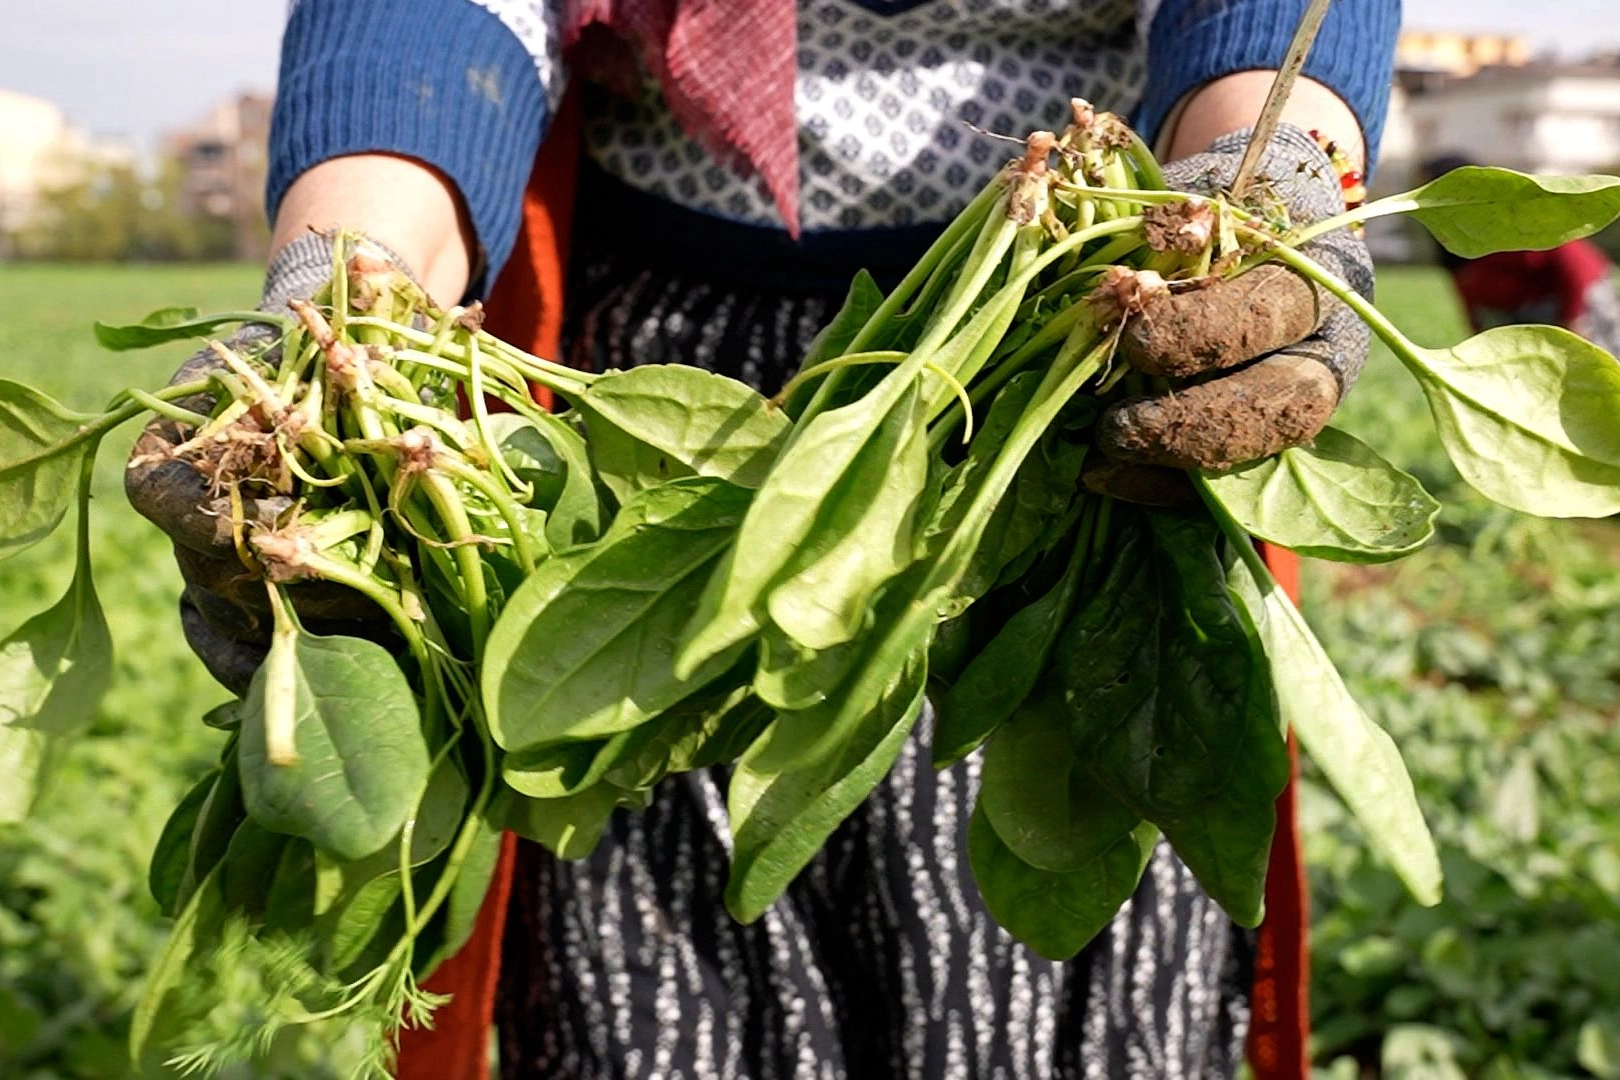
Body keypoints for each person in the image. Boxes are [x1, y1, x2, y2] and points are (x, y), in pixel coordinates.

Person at [127, 1, 1398, 1076]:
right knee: (649, 973)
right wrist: (351, 287)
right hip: (652, 410)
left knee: (1045, 935)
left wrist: (1267, 173)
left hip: (1067, 370)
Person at [1423, 154, 1620, 357]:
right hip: (1515, 312)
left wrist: (1573, 319)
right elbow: (1465, 289)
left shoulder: (1510, 223)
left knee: (1601, 356)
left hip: (1574, 298)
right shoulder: (1451, 240)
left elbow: (1576, 265)